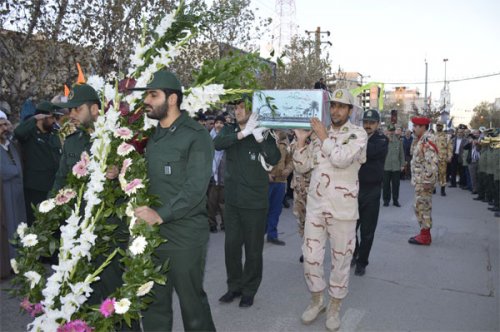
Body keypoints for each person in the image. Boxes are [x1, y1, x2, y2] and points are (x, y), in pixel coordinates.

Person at [132, 69, 216, 331]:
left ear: (172, 99)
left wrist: (161, 214)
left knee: (192, 305)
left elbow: (195, 188)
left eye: (153, 95)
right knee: (153, 302)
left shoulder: (195, 135)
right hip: (152, 235)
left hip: (185, 234)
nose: (147, 100)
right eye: (147, 95)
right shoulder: (154, 136)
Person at [294, 89, 367, 331]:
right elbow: (302, 167)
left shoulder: (358, 134)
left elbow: (341, 159)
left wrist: (323, 136)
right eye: (333, 105)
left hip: (343, 211)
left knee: (340, 262)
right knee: (311, 258)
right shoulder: (318, 134)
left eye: (342, 106)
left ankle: (334, 307)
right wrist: (302, 141)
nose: (336, 110)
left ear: (350, 111)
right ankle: (317, 301)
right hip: (316, 208)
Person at [214, 96, 280, 308]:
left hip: (254, 202)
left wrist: (259, 138)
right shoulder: (230, 130)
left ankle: (249, 290)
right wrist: (243, 133)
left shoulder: (264, 131)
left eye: (242, 107)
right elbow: (217, 143)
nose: (237, 111)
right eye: (235, 107)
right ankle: (234, 287)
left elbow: (274, 158)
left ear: (252, 110)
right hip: (233, 201)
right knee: (231, 247)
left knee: (253, 250)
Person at [14, 100, 62, 225]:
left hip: (52, 186)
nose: (54, 121)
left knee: (52, 222)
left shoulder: (54, 134)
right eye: (52, 117)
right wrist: (34, 119)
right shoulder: (30, 134)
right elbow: (18, 132)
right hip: (35, 188)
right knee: (36, 222)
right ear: (42, 117)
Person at [352, 109, 388, 276]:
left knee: (367, 231)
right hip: (354, 188)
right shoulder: (358, 137)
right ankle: (354, 253)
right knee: (350, 228)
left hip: (371, 190)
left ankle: (362, 262)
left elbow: (371, 152)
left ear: (377, 124)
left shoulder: (382, 140)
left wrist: (357, 140)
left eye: (371, 123)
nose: (367, 125)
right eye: (365, 122)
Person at [1, 111, 25, 279]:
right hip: (4, 193)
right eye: (0, 126)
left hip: (17, 191)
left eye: (5, 124)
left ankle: (20, 261)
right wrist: (16, 171)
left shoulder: (10, 144)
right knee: (9, 226)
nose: (4, 129)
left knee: (19, 226)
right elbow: (6, 171)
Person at [408, 117, 438, 245]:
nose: (413, 129)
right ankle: (424, 233)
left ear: (423, 127)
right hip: (420, 181)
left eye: (415, 126)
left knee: (423, 207)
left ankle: (425, 236)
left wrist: (428, 181)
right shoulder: (420, 140)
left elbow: (431, 162)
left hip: (424, 182)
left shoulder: (427, 140)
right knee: (419, 206)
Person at [266, 130, 293, 245]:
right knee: (261, 210)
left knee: (276, 210)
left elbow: (290, 160)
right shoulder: (264, 138)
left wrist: (288, 169)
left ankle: (272, 235)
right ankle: (255, 235)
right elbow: (257, 160)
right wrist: (265, 174)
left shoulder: (285, 141)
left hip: (280, 181)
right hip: (265, 182)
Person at [208, 115, 226, 233]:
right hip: (212, 177)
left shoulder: (227, 138)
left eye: (221, 123)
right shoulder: (208, 139)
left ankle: (225, 224)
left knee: (224, 204)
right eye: (217, 123)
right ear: (214, 124)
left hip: (224, 176)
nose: (219, 125)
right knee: (211, 203)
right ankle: (212, 224)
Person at [382, 124, 404, 207]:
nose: (391, 132)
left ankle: (395, 200)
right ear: (387, 131)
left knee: (396, 185)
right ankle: (386, 200)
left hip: (396, 167)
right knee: (386, 185)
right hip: (386, 166)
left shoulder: (398, 141)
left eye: (392, 130)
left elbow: (401, 154)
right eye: (390, 130)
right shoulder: (383, 140)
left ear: (394, 131)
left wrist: (402, 164)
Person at [434, 121, 453, 196]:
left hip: (443, 158)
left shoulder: (446, 136)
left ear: (442, 127)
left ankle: (442, 189)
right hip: (433, 158)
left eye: (440, 126)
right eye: (437, 125)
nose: (438, 127)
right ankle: (434, 188)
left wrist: (449, 156)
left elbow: (450, 147)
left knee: (442, 173)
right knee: (434, 173)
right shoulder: (432, 135)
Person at [450, 124, 467, 188]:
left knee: (461, 171)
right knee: (453, 170)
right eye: (459, 132)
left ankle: (461, 184)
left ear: (463, 133)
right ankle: (453, 183)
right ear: (457, 133)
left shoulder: (465, 140)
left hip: (461, 156)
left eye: (461, 132)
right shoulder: (453, 139)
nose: (459, 134)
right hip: (454, 155)